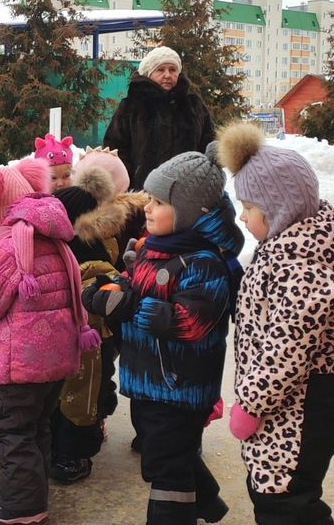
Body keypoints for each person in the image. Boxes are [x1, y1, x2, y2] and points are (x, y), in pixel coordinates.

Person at [82, 145, 245, 524]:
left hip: (179, 385)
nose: (147, 208)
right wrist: (111, 288)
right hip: (148, 380)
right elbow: (136, 286)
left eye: (158, 202)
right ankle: (207, 502)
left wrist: (130, 307)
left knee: (166, 468)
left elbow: (189, 322)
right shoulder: (157, 248)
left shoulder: (205, 262)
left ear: (188, 212)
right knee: (168, 452)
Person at [216, 121, 334, 525]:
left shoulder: (300, 264)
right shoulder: (283, 248)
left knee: (285, 500)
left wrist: (251, 403)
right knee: (274, 490)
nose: (243, 219)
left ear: (278, 206)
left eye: (249, 208)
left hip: (300, 403)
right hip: (286, 402)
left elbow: (287, 348)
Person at [0, 157, 101, 525]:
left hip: (16, 362)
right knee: (36, 426)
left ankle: (22, 506)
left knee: (10, 431)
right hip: (54, 358)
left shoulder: (12, 245)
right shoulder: (46, 235)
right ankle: (25, 488)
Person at [49, 163, 149, 484]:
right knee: (86, 395)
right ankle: (75, 446)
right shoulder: (102, 247)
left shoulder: (74, 252)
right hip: (96, 339)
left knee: (76, 398)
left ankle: (73, 453)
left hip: (86, 339)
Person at [103, 46, 215, 191]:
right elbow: (115, 148)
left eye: (172, 70)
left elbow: (210, 142)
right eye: (160, 70)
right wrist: (130, 178)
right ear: (149, 73)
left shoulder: (194, 105)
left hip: (186, 194)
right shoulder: (131, 106)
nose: (167, 75)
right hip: (142, 193)